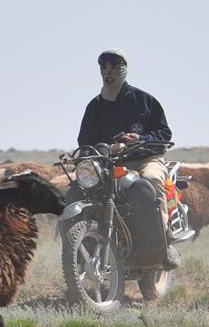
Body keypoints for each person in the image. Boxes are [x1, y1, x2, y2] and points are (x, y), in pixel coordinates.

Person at [76, 48, 182, 268]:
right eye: (104, 66)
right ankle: (78, 252)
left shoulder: (144, 100)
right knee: (76, 189)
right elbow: (85, 141)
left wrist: (141, 139)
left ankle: (165, 243)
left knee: (150, 181)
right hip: (109, 164)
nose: (109, 71)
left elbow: (164, 133)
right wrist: (87, 157)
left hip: (145, 159)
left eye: (115, 66)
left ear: (124, 69)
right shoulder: (94, 107)